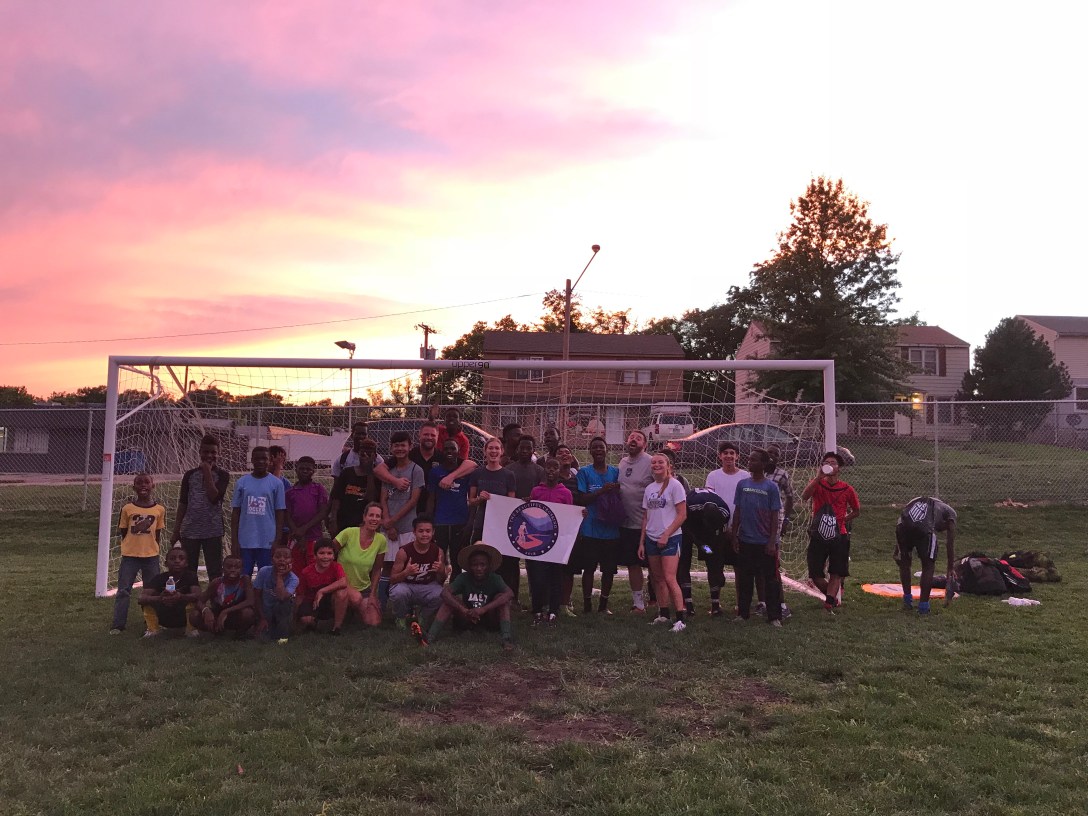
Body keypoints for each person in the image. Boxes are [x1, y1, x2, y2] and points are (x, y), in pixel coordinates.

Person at [801, 451, 861, 612]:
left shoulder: (847, 489)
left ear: (839, 468)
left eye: (833, 462)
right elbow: (805, 496)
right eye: (827, 462)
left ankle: (829, 602)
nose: (830, 465)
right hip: (819, 534)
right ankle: (831, 596)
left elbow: (856, 511)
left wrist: (841, 520)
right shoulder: (818, 484)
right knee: (815, 573)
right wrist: (818, 477)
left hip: (839, 534)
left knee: (836, 570)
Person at [426, 543, 515, 650]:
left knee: (502, 598)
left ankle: (506, 638)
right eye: (475, 565)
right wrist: (463, 610)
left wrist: (483, 609)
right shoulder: (463, 577)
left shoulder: (495, 578)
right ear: (469, 566)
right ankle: (430, 637)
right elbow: (444, 593)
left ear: (488, 566)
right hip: (467, 616)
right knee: (449, 601)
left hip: (489, 618)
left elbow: (510, 594)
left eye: (483, 565)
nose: (479, 568)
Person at [730, 449, 784, 626]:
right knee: (745, 579)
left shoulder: (771, 487)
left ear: (763, 464)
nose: (749, 462)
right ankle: (743, 613)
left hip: (765, 543)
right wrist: (734, 535)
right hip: (746, 540)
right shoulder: (742, 484)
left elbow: (775, 516)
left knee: (770, 580)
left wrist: (771, 541)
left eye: (754, 460)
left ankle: (774, 616)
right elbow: (737, 511)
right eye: (750, 459)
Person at [569, 437, 621, 616]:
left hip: (611, 529)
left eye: (602, 447)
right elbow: (582, 499)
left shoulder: (616, 472)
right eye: (595, 448)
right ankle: (587, 604)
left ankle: (603, 605)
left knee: (608, 570)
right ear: (590, 451)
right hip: (590, 528)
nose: (599, 450)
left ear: (607, 451)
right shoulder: (584, 473)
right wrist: (601, 491)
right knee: (589, 568)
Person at [110, 473, 167, 634]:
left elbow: (157, 533)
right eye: (139, 483)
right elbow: (123, 530)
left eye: (147, 482)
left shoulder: (159, 509)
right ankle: (118, 625)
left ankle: (151, 622)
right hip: (130, 556)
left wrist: (152, 547)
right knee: (123, 590)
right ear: (134, 487)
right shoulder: (127, 508)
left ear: (152, 486)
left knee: (151, 590)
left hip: (151, 556)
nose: (143, 485)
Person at [638, 452, 688, 632]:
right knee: (657, 579)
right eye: (653, 462)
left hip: (670, 538)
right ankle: (664, 613)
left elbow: (682, 515)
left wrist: (666, 534)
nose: (656, 465)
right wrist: (642, 542)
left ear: (669, 466)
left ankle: (681, 618)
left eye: (660, 462)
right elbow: (646, 517)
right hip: (651, 538)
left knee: (669, 577)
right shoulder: (649, 488)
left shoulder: (675, 486)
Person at [170, 434, 230, 581]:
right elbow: (183, 503)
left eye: (213, 452)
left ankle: (216, 603)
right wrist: (177, 530)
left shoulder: (223, 475)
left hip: (213, 531)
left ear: (219, 453)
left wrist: (207, 472)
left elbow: (214, 497)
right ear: (200, 452)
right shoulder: (190, 475)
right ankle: (191, 602)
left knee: (215, 572)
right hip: (190, 531)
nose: (209, 455)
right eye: (206, 452)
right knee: (189, 571)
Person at [378, 430, 426, 611]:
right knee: (387, 566)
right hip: (388, 528)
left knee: (408, 566)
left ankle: (407, 609)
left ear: (410, 447)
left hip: (406, 527)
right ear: (391, 448)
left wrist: (394, 522)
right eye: (396, 445)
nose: (399, 448)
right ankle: (380, 606)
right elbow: (383, 499)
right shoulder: (388, 472)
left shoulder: (416, 470)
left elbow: (413, 500)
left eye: (402, 445)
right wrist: (387, 521)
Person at [704, 442, 749, 616]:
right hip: (717, 531)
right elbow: (710, 500)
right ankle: (715, 604)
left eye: (732, 453)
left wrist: (736, 527)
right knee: (715, 565)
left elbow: (746, 502)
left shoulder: (745, 476)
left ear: (737, 456)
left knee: (740, 568)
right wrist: (720, 526)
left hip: (740, 530)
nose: (729, 456)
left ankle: (741, 604)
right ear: (719, 456)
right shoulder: (713, 476)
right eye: (725, 453)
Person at [527, 457, 573, 625]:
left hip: (557, 542)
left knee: (556, 577)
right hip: (539, 541)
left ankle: (553, 611)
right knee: (537, 578)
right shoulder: (536, 491)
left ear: (560, 471)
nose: (551, 470)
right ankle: (537, 610)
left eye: (555, 468)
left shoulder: (565, 493)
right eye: (548, 467)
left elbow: (569, 516)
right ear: (544, 470)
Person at [894, 496, 957, 615]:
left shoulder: (915, 501)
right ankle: (923, 606)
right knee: (928, 565)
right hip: (925, 528)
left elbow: (901, 520)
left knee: (905, 562)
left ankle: (907, 600)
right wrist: (950, 568)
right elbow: (950, 543)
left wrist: (898, 549)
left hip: (903, 527)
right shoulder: (950, 513)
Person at [230, 446, 287, 577]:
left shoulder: (276, 483)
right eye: (257, 459)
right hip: (245, 540)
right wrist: (234, 541)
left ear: (270, 461)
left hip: (267, 540)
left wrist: (277, 539)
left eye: (264, 459)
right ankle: (245, 598)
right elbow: (236, 512)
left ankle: (263, 598)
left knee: (266, 577)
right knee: (243, 576)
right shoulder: (242, 482)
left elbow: (280, 513)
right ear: (252, 460)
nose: (261, 462)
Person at [467, 437, 517, 582]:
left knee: (499, 561)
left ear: (501, 452)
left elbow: (511, 503)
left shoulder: (509, 475)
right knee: (479, 559)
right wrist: (479, 499)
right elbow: (471, 502)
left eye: (497, 448)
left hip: (501, 526)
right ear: (485, 451)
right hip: (481, 523)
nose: (493, 451)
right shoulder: (477, 474)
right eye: (490, 448)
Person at [504, 434, 546, 603]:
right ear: (517, 449)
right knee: (511, 563)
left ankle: (536, 598)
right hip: (513, 519)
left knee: (534, 563)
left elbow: (543, 494)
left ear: (533, 450)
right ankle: (512, 597)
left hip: (533, 520)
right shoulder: (509, 469)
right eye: (522, 448)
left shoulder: (539, 471)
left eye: (529, 448)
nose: (525, 451)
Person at [616, 429, 654, 613]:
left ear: (644, 445)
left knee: (654, 564)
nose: (634, 440)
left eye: (638, 438)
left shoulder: (650, 462)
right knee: (633, 563)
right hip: (627, 524)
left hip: (648, 525)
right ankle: (638, 603)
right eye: (631, 437)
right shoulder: (622, 462)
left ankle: (657, 597)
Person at [389, 515, 447, 628]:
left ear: (433, 532)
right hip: (407, 585)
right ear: (414, 532)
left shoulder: (438, 551)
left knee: (442, 594)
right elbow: (392, 579)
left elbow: (441, 581)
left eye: (428, 531)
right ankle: (400, 617)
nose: (424, 534)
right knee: (398, 592)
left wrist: (441, 571)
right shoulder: (404, 551)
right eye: (420, 531)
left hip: (427, 585)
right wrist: (406, 573)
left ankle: (423, 616)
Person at [334, 501, 387, 628]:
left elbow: (377, 569)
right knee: (356, 598)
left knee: (374, 622)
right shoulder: (349, 533)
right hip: (340, 584)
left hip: (363, 587)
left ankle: (354, 611)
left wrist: (373, 595)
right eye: (371, 515)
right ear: (364, 517)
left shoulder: (381, 540)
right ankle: (340, 610)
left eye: (378, 516)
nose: (374, 519)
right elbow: (329, 554)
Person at [426, 439, 472, 573]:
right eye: (447, 449)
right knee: (439, 558)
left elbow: (471, 495)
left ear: (458, 451)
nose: (450, 452)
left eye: (453, 449)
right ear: (442, 451)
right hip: (441, 521)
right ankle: (437, 588)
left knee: (457, 558)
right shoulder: (435, 472)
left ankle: (455, 589)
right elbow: (431, 497)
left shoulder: (465, 471)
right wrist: (430, 519)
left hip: (460, 520)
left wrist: (469, 520)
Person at [138, 547, 201, 638]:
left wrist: (181, 596)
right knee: (147, 602)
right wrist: (160, 598)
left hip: (182, 616)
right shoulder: (159, 578)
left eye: (181, 558)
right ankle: (153, 630)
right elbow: (141, 598)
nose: (177, 561)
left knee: (194, 601)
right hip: (164, 615)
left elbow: (198, 595)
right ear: (166, 563)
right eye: (172, 558)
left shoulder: (191, 576)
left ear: (186, 563)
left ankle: (190, 630)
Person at [190, 553, 256, 636]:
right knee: (194, 615)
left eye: (237, 567)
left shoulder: (245, 580)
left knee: (248, 613)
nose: (233, 570)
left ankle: (240, 634)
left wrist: (226, 611)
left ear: (242, 569)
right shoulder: (217, 582)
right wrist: (206, 610)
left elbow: (250, 601)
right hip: (217, 614)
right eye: (229, 567)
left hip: (236, 614)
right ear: (222, 569)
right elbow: (199, 601)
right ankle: (215, 630)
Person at [328, 436, 382, 536]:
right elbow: (336, 497)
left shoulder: (377, 477)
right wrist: (333, 519)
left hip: (363, 524)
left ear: (375, 456)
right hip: (344, 521)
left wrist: (369, 470)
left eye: (369, 453)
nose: (365, 455)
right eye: (362, 453)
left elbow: (370, 499)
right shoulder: (347, 473)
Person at [284, 456, 329, 576]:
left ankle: (314, 594)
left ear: (313, 471)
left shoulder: (319, 489)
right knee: (295, 570)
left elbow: (323, 513)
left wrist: (303, 529)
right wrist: (297, 532)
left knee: (313, 570)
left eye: (308, 469)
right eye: (302, 468)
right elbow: (287, 515)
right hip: (295, 538)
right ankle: (298, 594)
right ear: (296, 469)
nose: (305, 471)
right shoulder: (290, 492)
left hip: (313, 537)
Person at [296, 538, 349, 634]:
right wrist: (296, 615)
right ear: (315, 555)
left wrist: (322, 591)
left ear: (334, 556)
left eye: (329, 553)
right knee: (306, 620)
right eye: (322, 553)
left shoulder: (336, 567)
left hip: (329, 602)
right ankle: (318, 622)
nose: (325, 557)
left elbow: (343, 582)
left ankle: (336, 628)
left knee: (342, 592)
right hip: (313, 602)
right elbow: (300, 595)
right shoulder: (306, 572)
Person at [253, 545, 299, 643]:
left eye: (286, 557)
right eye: (278, 557)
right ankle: (267, 626)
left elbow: (282, 597)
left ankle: (283, 636)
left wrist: (279, 576)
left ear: (292, 561)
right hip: (266, 613)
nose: (282, 560)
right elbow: (256, 596)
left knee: (284, 604)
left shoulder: (293, 579)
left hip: (282, 613)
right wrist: (262, 618)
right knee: (262, 639)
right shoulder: (263, 572)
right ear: (272, 560)